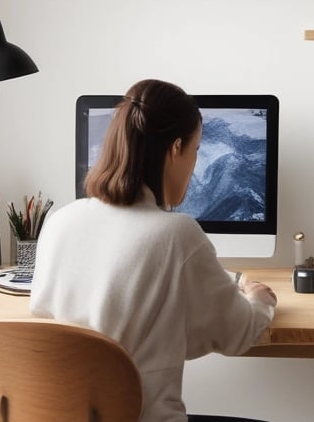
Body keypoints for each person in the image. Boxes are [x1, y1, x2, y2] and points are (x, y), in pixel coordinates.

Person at [30, 79, 278, 422]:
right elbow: (236, 335)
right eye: (196, 150)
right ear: (176, 149)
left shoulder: (58, 222)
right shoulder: (177, 235)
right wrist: (260, 299)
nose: (193, 165)